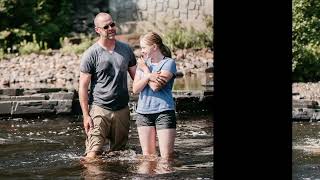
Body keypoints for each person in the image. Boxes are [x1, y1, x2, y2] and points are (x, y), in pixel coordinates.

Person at [79, 12, 137, 160]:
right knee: (92, 155)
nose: (111, 28)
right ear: (98, 30)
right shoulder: (91, 54)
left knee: (119, 154)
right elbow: (83, 87)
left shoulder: (126, 49)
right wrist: (86, 115)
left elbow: (137, 78)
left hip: (122, 109)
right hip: (99, 108)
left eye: (112, 24)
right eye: (106, 26)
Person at [132, 32, 177, 160]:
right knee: (148, 158)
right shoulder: (143, 64)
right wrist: (149, 75)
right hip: (143, 113)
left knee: (166, 158)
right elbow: (135, 89)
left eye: (144, 47)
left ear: (155, 47)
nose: (142, 51)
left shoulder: (168, 63)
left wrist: (145, 71)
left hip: (164, 112)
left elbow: (155, 87)